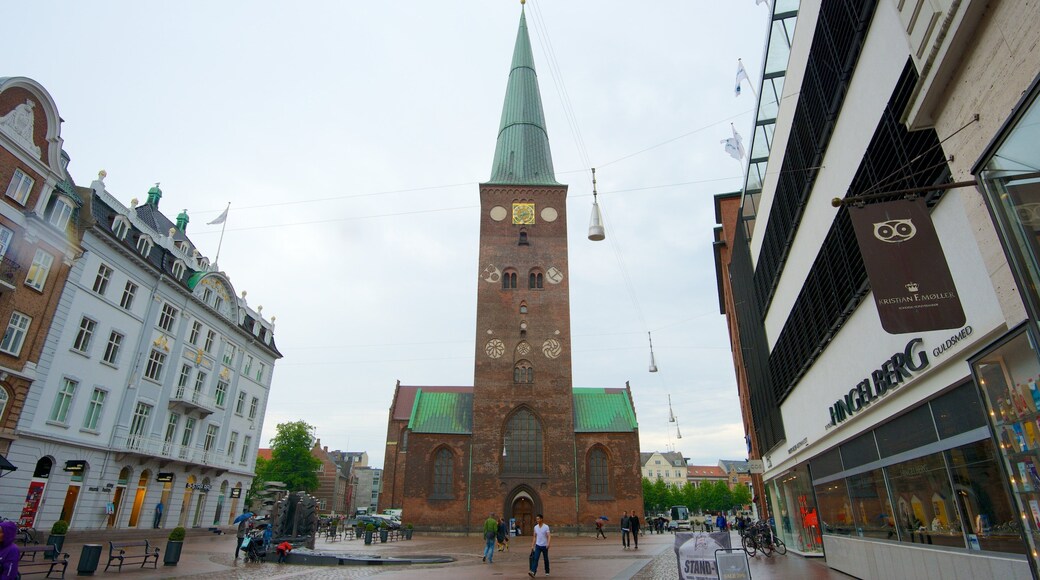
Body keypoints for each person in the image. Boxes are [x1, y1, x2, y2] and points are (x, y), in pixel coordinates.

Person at [528, 513, 550, 577]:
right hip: (538, 546)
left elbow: (549, 536)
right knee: (535, 558)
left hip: (545, 546)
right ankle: (533, 572)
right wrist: (532, 545)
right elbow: (534, 537)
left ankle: (547, 571)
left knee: (546, 559)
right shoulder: (535, 527)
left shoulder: (546, 527)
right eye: (536, 519)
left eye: (538, 519)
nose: (537, 520)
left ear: (541, 519)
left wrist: (548, 543)